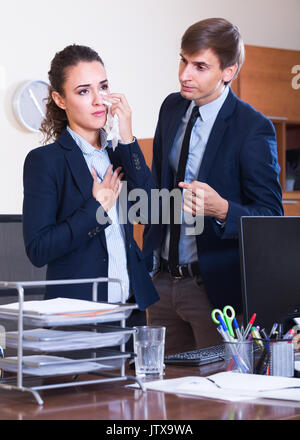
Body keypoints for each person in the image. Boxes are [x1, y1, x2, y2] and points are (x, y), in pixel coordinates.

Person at [143, 18, 283, 355]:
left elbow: (270, 217)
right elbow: (159, 186)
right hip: (161, 283)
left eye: (199, 66)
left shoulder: (252, 128)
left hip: (212, 290)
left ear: (228, 71)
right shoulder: (171, 108)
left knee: (217, 401)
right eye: (183, 60)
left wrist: (222, 209)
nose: (184, 74)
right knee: (162, 399)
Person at [23, 44, 159, 327]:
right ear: (60, 99)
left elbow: (151, 212)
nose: (99, 100)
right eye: (84, 91)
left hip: (130, 310)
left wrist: (128, 137)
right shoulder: (45, 161)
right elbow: (38, 249)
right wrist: (97, 208)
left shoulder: (119, 153)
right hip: (79, 313)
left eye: (104, 87)